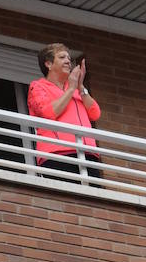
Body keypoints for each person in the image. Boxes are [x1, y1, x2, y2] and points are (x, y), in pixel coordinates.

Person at [27, 42, 102, 180]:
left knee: (91, 199)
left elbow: (95, 113)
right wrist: (71, 89)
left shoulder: (75, 87)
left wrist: (80, 87)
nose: (68, 61)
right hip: (58, 154)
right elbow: (48, 113)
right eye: (62, 57)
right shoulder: (38, 86)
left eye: (68, 58)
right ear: (48, 64)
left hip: (88, 153)